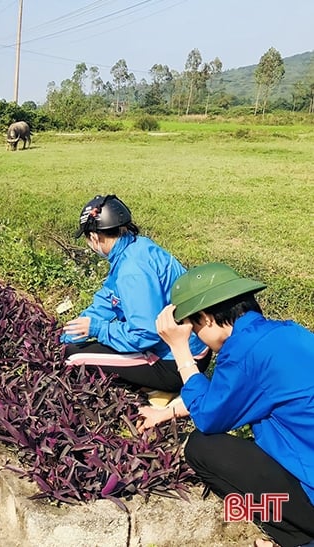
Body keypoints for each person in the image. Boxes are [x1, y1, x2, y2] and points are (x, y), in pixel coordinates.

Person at [138, 263, 314, 547]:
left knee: (201, 448)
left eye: (193, 328)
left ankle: (297, 540)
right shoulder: (287, 333)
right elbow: (236, 395)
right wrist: (168, 411)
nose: (193, 335)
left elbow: (209, 418)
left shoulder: (245, 353)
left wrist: (180, 351)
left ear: (206, 318)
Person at [60, 195, 209, 399]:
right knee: (79, 345)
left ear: (94, 237)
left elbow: (145, 335)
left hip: (176, 361)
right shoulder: (135, 247)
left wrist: (98, 329)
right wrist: (78, 326)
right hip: (191, 346)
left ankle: (162, 389)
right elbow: (108, 297)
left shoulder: (132, 270)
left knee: (73, 356)